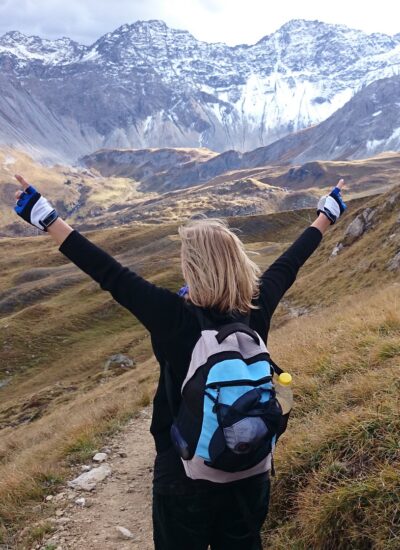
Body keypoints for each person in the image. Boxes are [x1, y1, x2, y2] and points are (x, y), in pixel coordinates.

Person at [13, 174, 346, 550]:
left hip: (182, 471)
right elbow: (291, 261)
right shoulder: (257, 305)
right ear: (237, 262)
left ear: (194, 269)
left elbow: (108, 272)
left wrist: (45, 216)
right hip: (251, 466)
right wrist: (327, 214)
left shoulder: (173, 316)